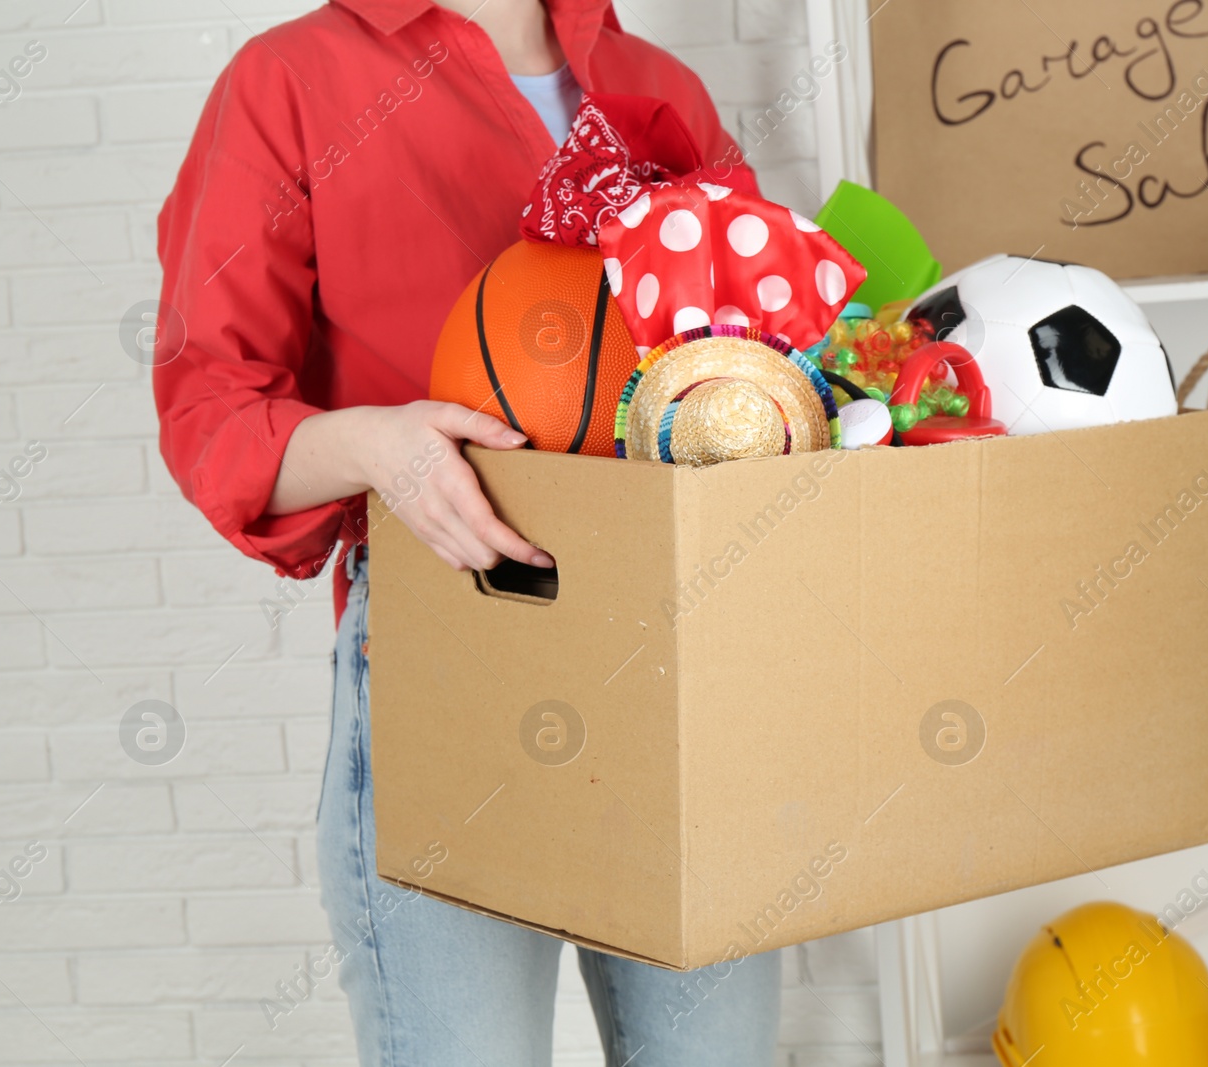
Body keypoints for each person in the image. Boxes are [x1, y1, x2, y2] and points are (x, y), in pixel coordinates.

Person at [151, 1, 778, 1064]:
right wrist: (377, 447)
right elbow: (210, 408)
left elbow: (769, 360)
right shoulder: (290, 81)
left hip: (678, 652)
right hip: (449, 648)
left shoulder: (657, 81)